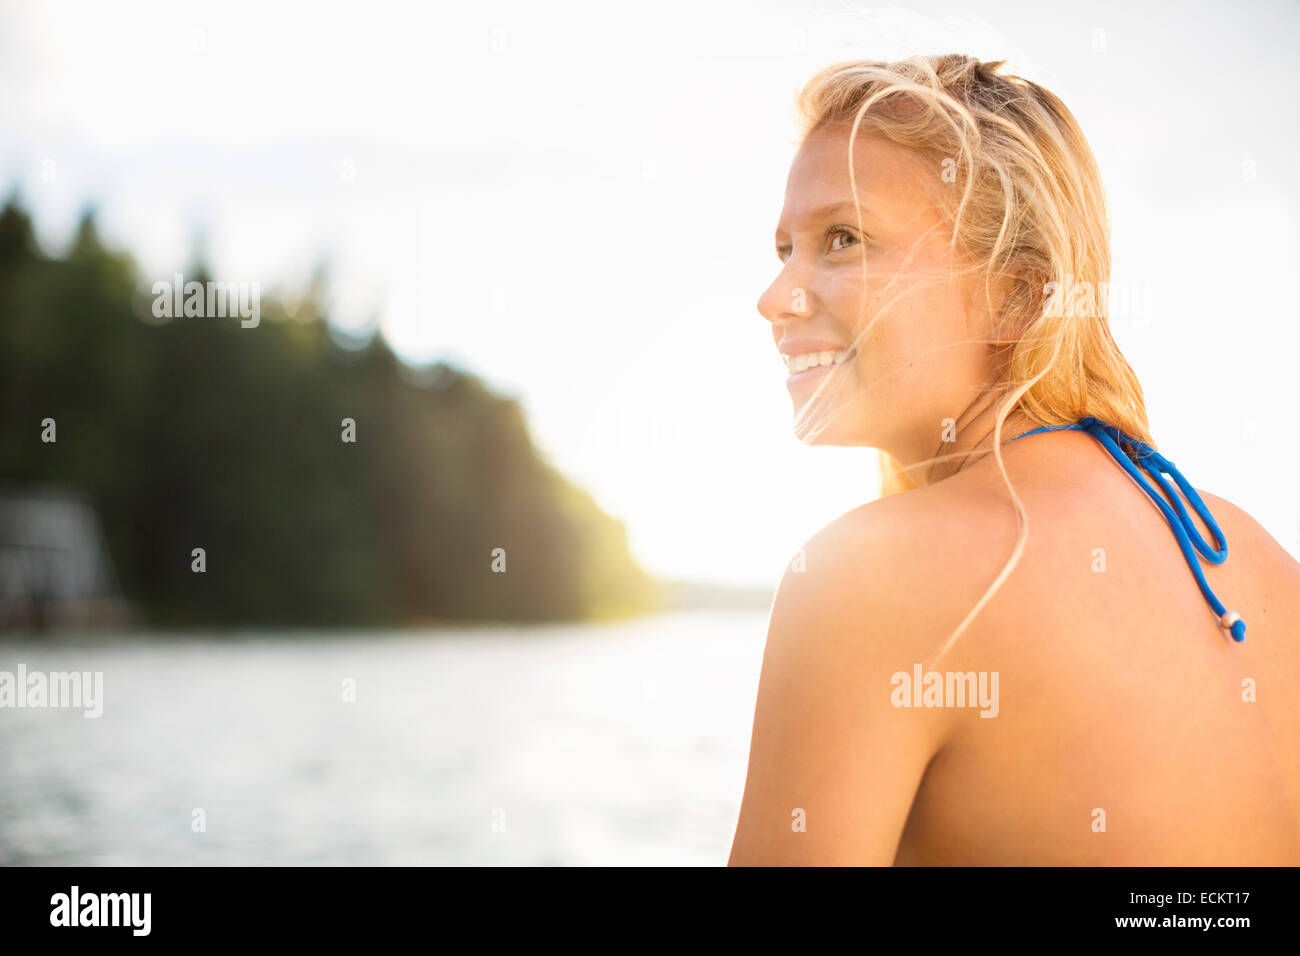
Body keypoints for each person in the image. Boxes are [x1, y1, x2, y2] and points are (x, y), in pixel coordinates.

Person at [728, 54, 1300, 865]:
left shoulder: (873, 577)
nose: (774, 296)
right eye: (785, 247)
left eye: (843, 238)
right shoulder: (1264, 563)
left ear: (1019, 297)